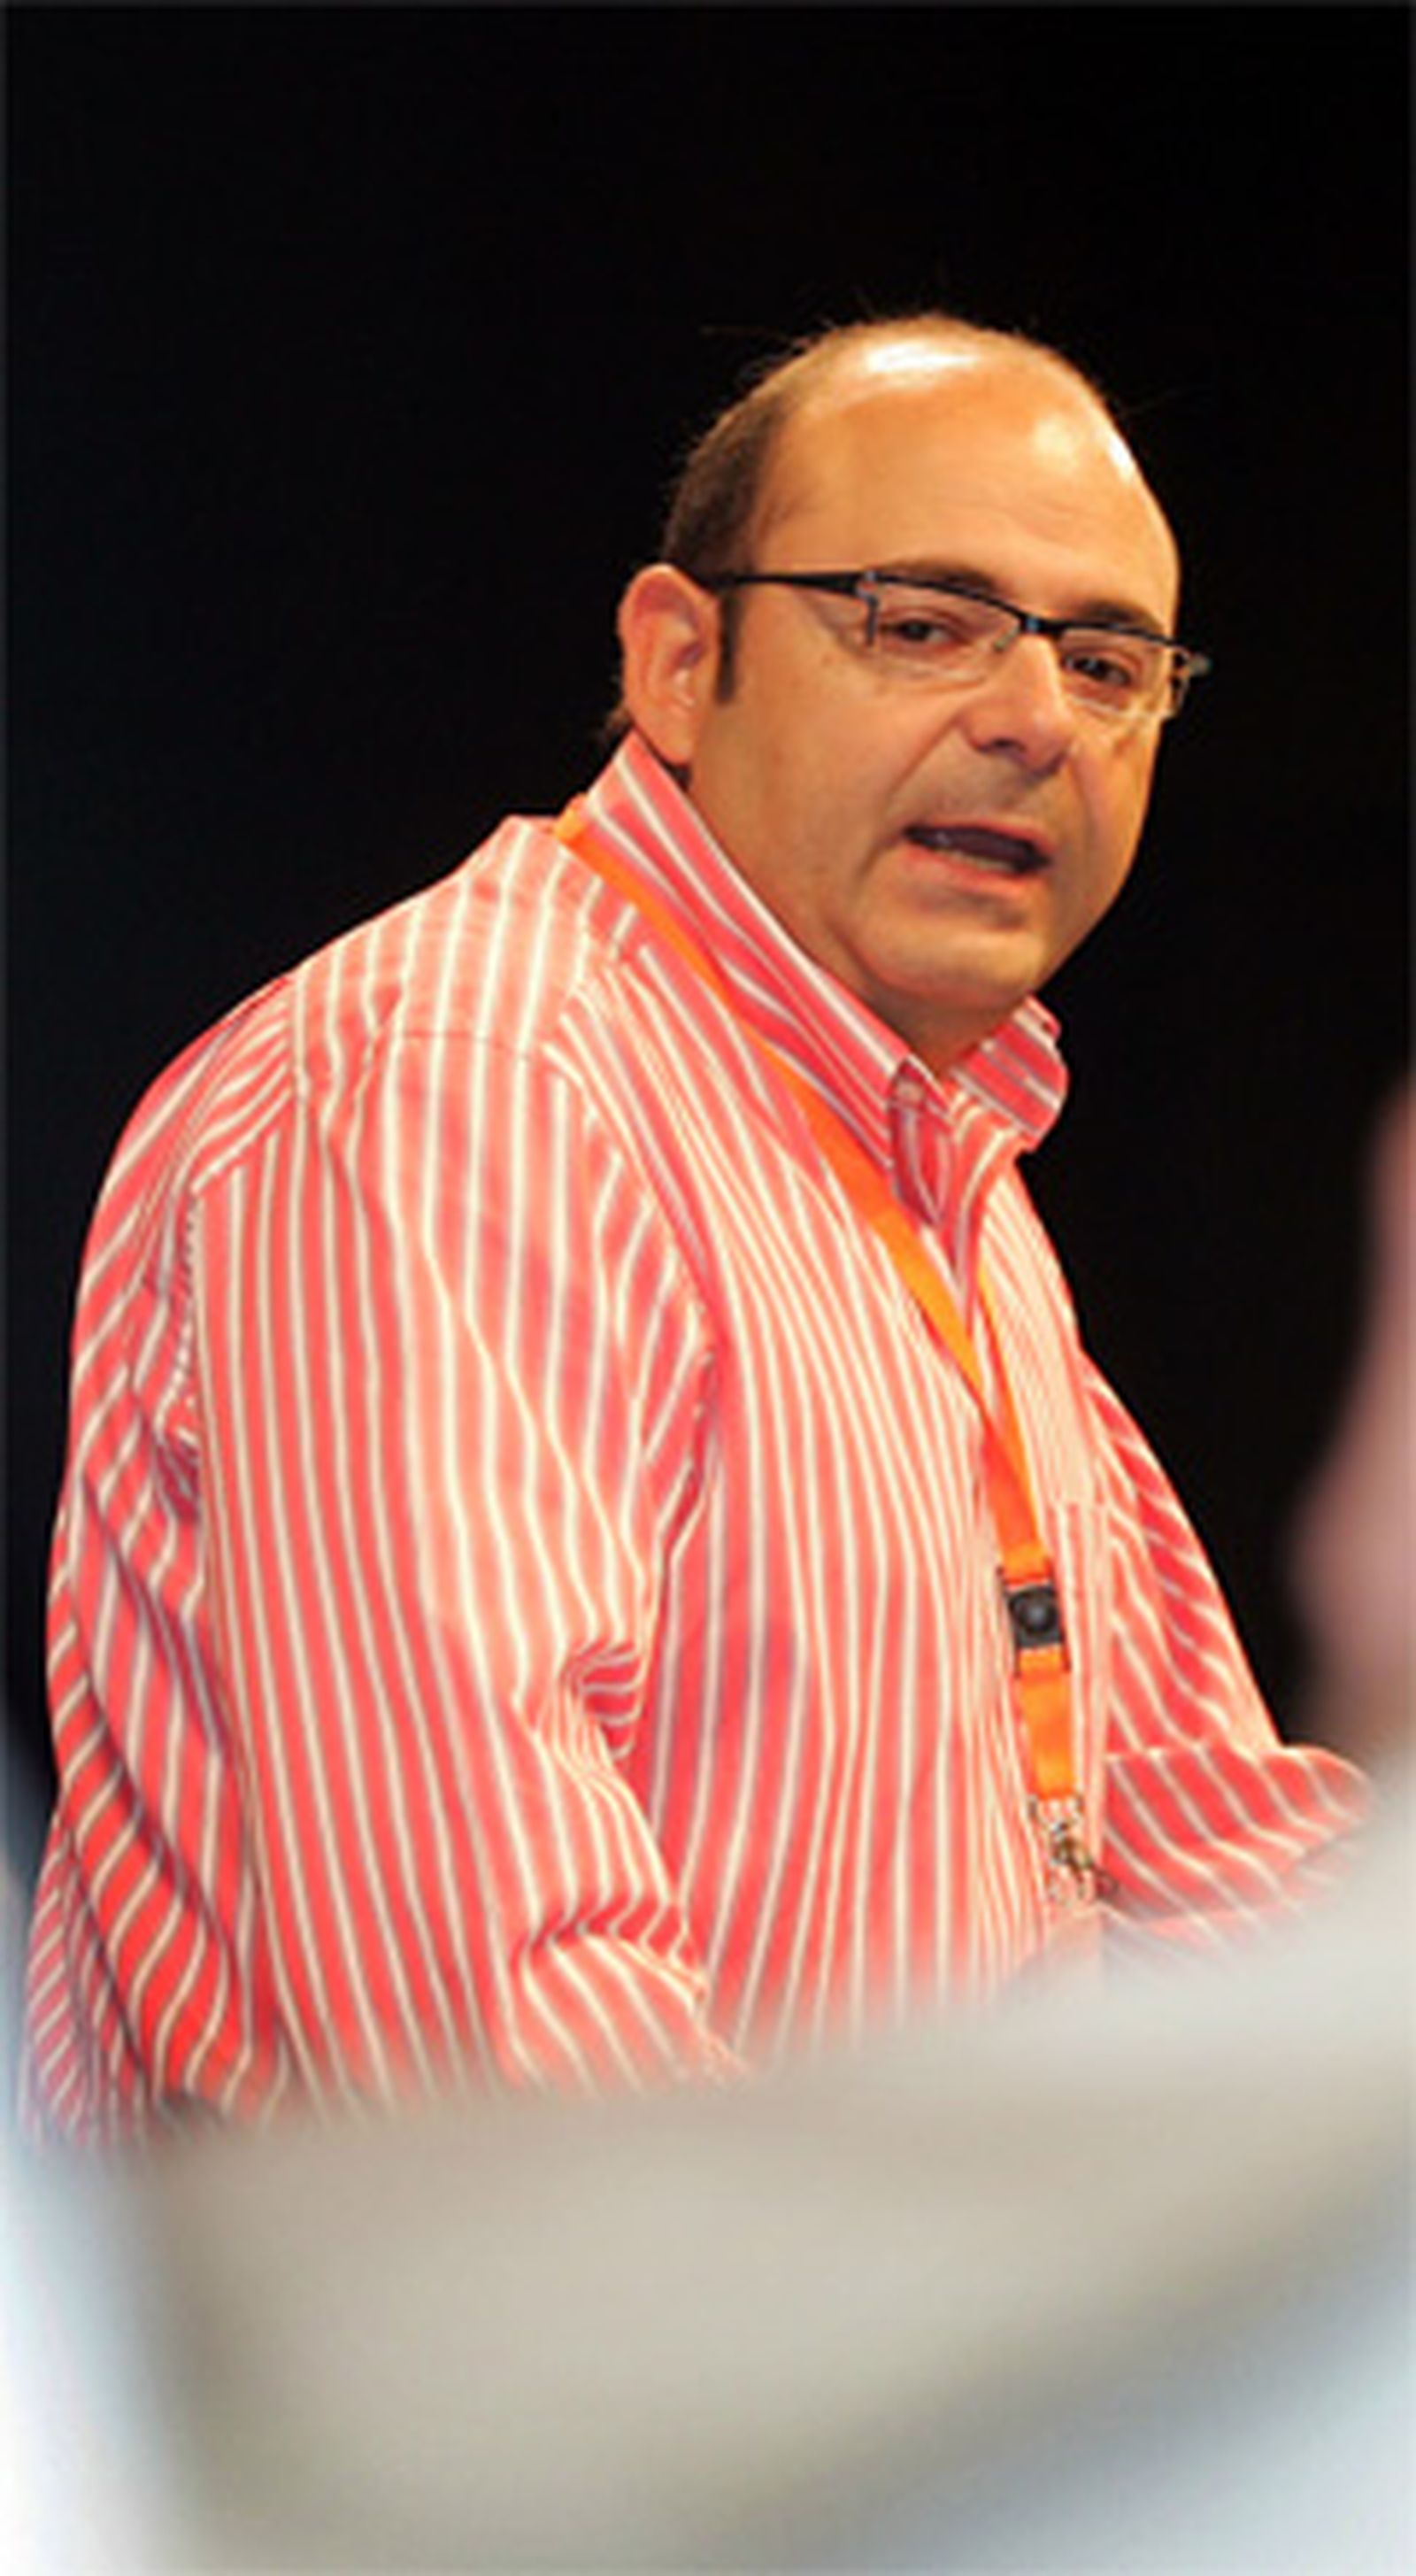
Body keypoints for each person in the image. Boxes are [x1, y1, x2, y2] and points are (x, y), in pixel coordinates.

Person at [20, 313, 1365, 2143]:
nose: (1036, 719)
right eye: (922, 623)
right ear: (676, 660)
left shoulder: (934, 1156)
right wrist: (919, 2317)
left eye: (1108, 662)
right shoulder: (463, 1088)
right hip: (558, 2329)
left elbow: (1190, 1822)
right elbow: (489, 2034)